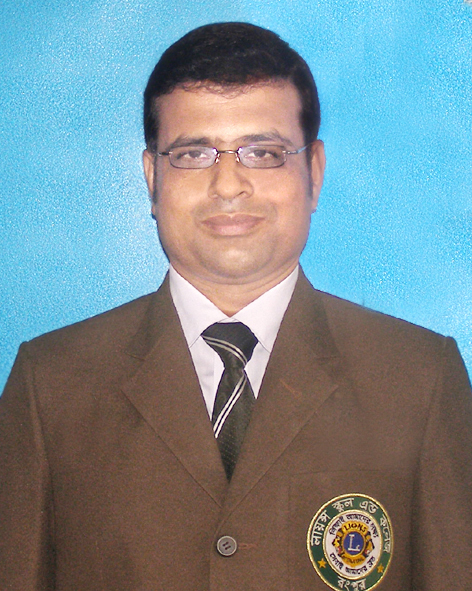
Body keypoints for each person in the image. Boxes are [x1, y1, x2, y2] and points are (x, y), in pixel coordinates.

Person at [1, 22, 471, 591]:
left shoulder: (419, 379)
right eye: (193, 153)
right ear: (152, 178)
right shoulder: (51, 385)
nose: (228, 185)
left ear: (314, 172)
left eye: (263, 153)